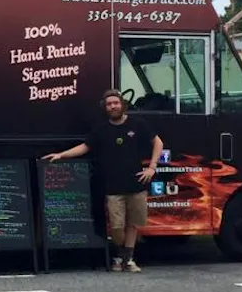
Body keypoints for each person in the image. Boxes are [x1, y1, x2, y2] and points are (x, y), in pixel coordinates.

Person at [42, 89, 164, 272]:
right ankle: (122, 253)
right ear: (105, 108)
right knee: (116, 227)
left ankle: (127, 259)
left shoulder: (138, 124)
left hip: (136, 184)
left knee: (133, 224)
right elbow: (84, 147)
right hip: (112, 186)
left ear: (122, 104)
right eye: (109, 104)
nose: (113, 106)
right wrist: (61, 155)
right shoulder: (101, 129)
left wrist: (152, 167)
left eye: (116, 103)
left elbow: (158, 143)